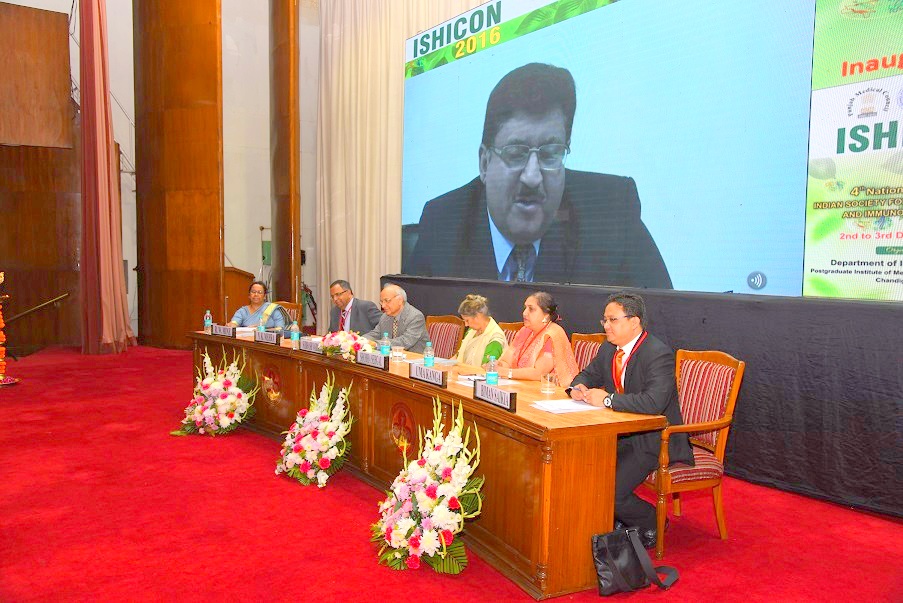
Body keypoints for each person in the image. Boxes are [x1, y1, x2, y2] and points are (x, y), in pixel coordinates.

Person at [405, 62, 671, 289]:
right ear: (484, 163)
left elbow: (666, 320)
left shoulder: (611, 213)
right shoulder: (444, 223)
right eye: (516, 153)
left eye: (550, 153)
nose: (532, 177)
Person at [566, 292, 693, 548]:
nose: (606, 325)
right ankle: (614, 521)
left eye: (612, 320)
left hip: (654, 439)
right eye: (604, 320)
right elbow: (586, 375)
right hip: (620, 433)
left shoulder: (657, 353)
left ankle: (653, 521)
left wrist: (607, 400)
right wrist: (576, 388)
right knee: (582, 471)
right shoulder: (608, 348)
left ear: (634, 322)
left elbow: (653, 403)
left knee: (611, 492)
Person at [495, 292, 578, 387]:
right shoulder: (525, 331)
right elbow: (507, 361)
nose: (524, 313)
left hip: (549, 390)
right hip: (521, 385)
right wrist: (497, 365)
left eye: (531, 309)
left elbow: (539, 373)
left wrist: (506, 372)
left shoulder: (553, 334)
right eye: (525, 308)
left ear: (546, 315)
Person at [363, 284, 429, 353]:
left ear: (400, 300)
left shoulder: (416, 316)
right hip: (392, 356)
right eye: (382, 302)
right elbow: (376, 334)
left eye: (387, 300)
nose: (383, 306)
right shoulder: (385, 316)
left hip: (415, 357)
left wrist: (376, 344)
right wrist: (361, 340)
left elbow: (405, 341)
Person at [455, 294, 507, 367]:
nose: (466, 325)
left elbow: (486, 368)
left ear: (478, 316)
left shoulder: (495, 338)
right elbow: (458, 355)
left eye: (467, 320)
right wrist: (445, 364)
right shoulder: (471, 331)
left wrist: (458, 367)